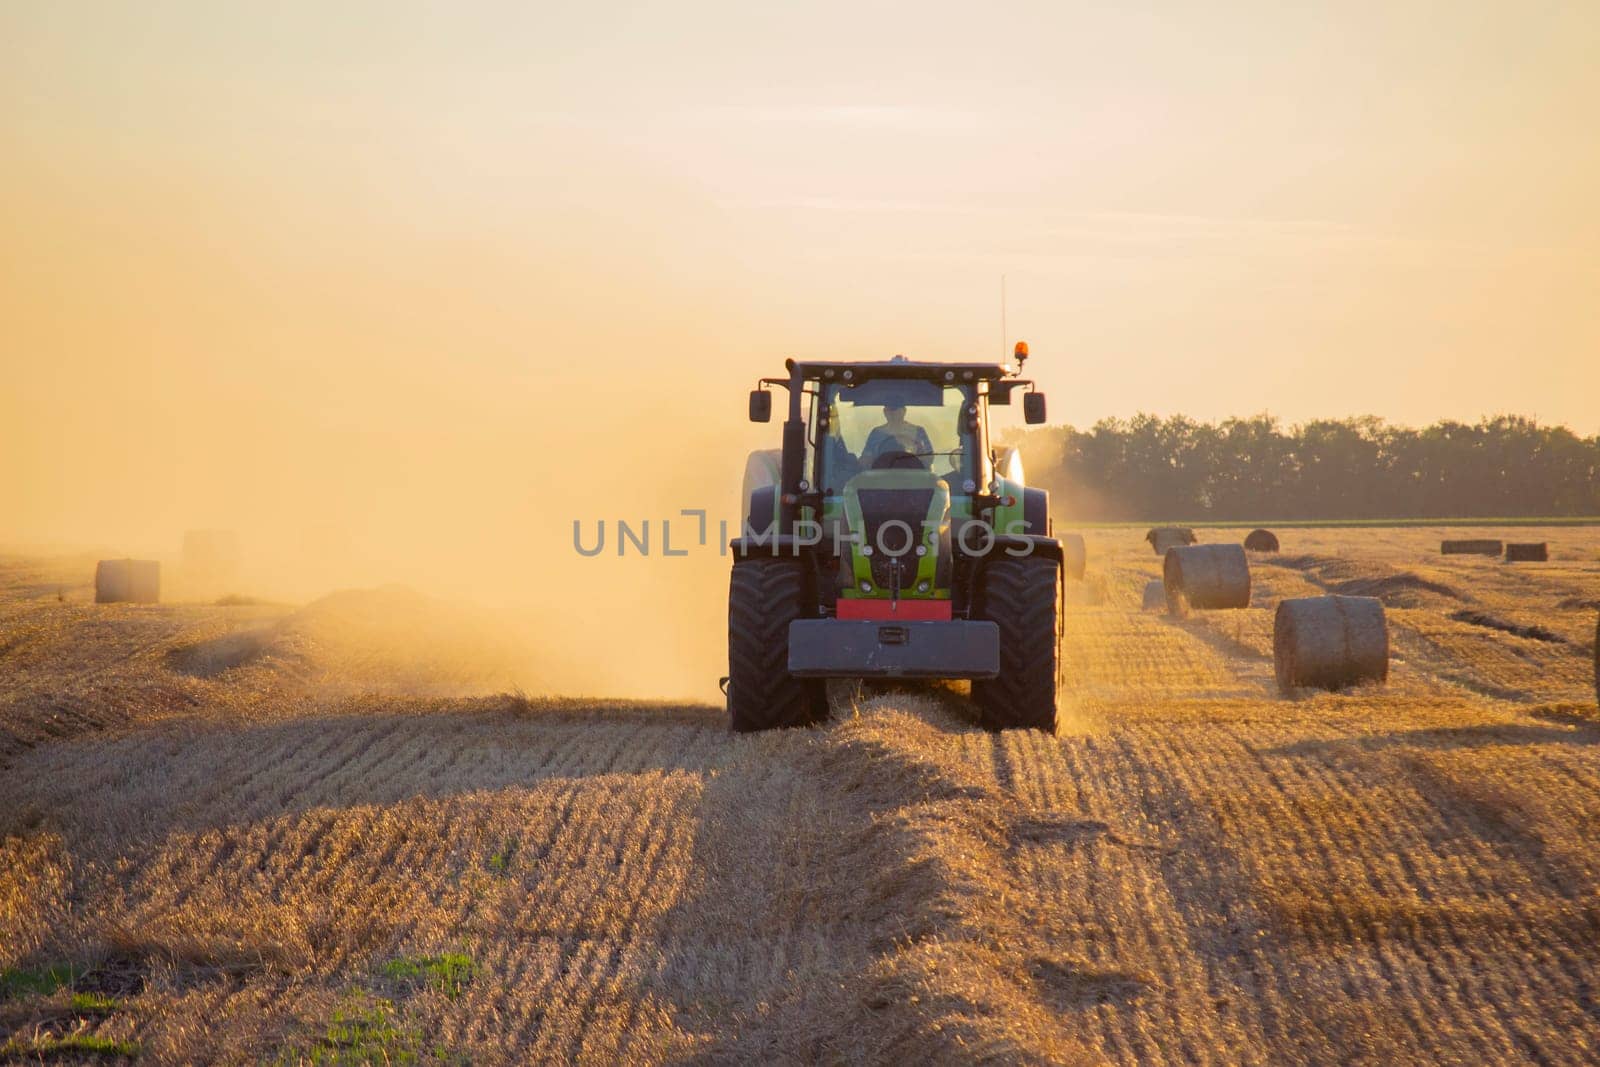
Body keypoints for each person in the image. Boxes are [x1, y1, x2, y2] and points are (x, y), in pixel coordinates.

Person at [864, 403, 933, 467]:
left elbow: (929, 458)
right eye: (888, 410)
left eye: (894, 409)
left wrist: (920, 453)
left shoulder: (919, 431)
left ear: (904, 411)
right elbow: (866, 457)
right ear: (884, 411)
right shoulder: (876, 433)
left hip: (913, 474)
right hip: (881, 474)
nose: (892, 413)